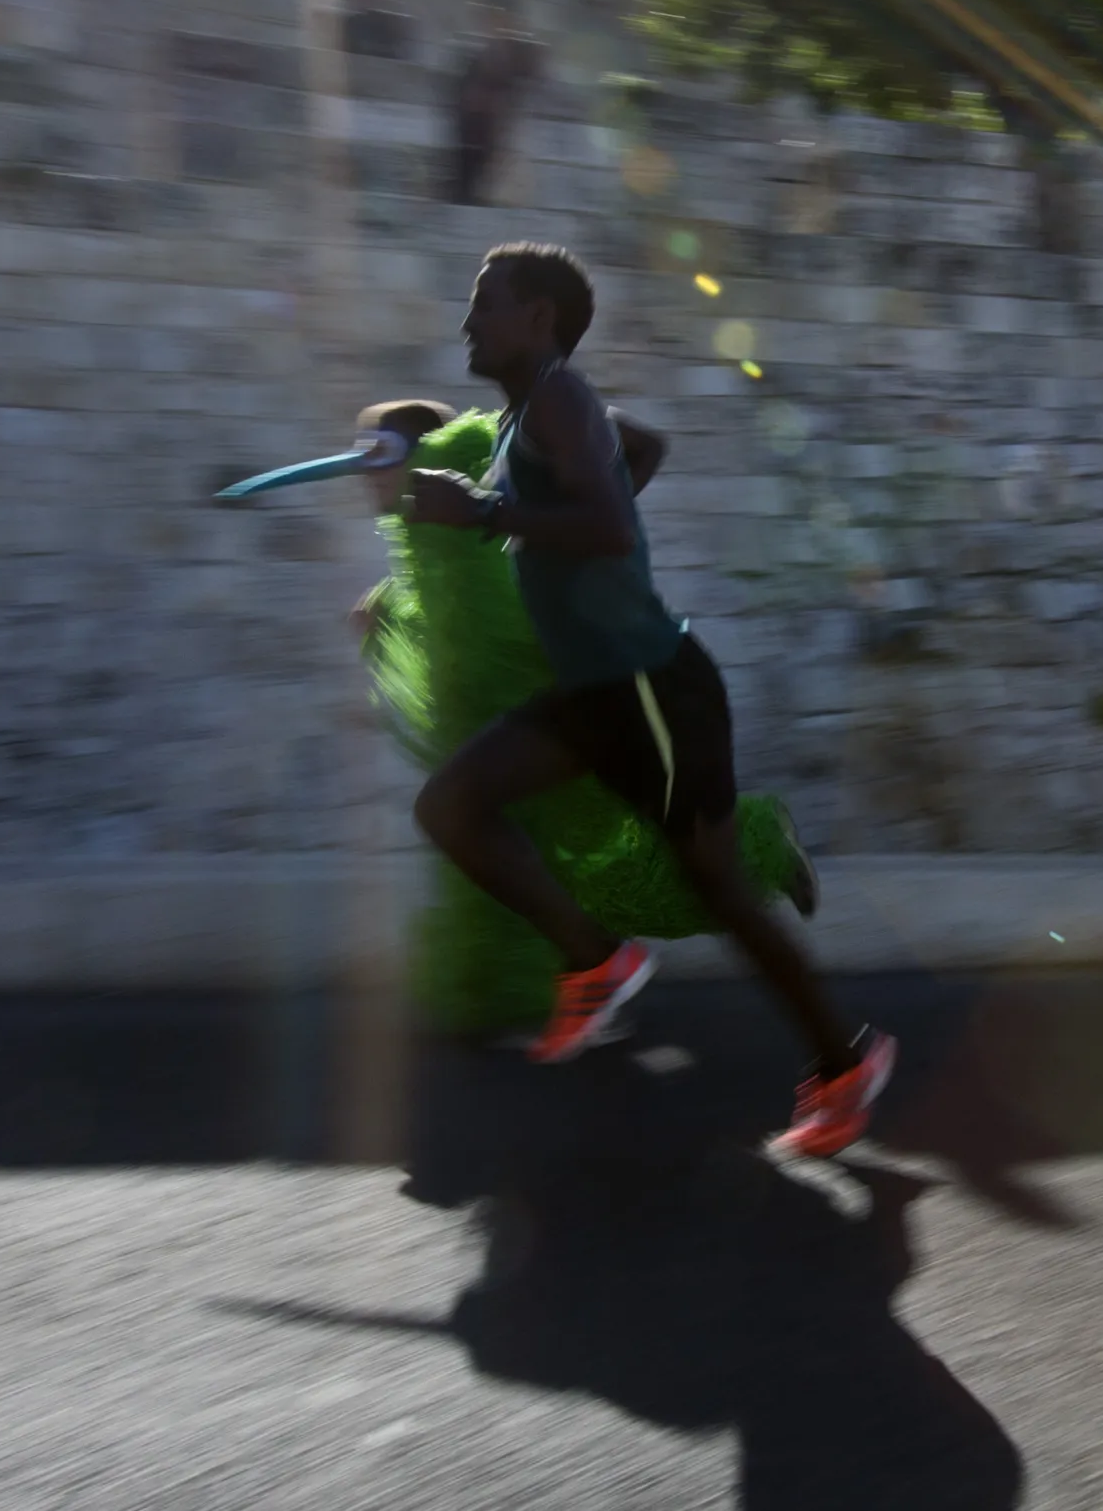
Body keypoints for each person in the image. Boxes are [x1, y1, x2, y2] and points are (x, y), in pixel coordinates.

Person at [406, 244, 896, 1157]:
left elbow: (602, 521)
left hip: (651, 687)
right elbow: (644, 450)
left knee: (722, 892)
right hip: (594, 693)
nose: (467, 321)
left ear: (539, 319)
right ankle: (596, 958)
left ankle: (844, 1062)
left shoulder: (559, 397)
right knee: (451, 805)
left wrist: (484, 513)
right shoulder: (534, 414)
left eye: (484, 303)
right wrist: (536, 514)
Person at [346, 397, 819, 1040]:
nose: (364, 471)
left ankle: (760, 849)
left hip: (573, 712)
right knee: (509, 852)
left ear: (431, 454)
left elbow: (506, 605)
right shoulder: (427, 540)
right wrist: (387, 615)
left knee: (630, 871)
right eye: (360, 455)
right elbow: (452, 622)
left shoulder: (487, 492)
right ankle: (537, 991)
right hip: (519, 726)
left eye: (380, 453)